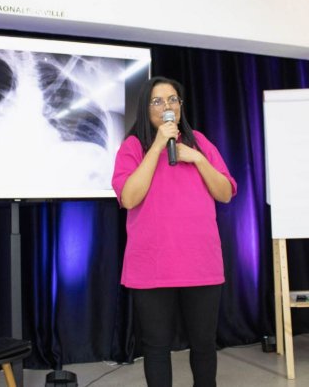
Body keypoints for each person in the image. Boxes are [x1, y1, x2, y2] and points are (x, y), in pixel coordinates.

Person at [112, 76, 237, 386]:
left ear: (180, 106)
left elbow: (225, 193)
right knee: (156, 347)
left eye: (172, 100)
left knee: (204, 344)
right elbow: (129, 198)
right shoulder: (132, 147)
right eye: (157, 101)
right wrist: (157, 145)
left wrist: (198, 158)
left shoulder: (200, 142)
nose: (166, 106)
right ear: (146, 108)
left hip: (200, 262)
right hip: (152, 265)